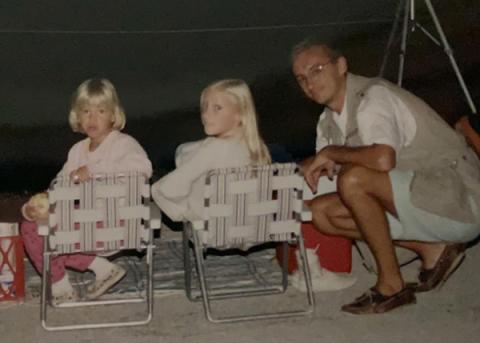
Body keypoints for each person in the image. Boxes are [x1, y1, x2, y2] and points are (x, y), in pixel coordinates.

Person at [291, 39, 480, 314]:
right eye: (301, 78)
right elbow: (326, 170)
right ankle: (431, 248)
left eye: (317, 69)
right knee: (322, 212)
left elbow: (382, 159)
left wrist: (332, 152)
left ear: (341, 66)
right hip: (423, 202)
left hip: (460, 201)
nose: (309, 82)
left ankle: (391, 285)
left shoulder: (372, 98)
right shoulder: (327, 122)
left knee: (353, 180)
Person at [21, 78, 153, 305]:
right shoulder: (77, 151)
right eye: (86, 111)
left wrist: (93, 170)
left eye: (101, 111)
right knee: (33, 225)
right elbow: (61, 183)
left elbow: (143, 169)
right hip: (86, 223)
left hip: (117, 223)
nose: (92, 118)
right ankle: (101, 269)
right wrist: (37, 205)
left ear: (113, 115)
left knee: (47, 234)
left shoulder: (123, 144)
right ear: (77, 117)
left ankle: (61, 285)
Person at [152, 78, 270, 222]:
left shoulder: (213, 149)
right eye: (204, 107)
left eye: (217, 108)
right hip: (255, 228)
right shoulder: (258, 147)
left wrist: (182, 210)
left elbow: (168, 190)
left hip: (216, 231)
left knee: (160, 188)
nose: (206, 115)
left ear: (240, 114)